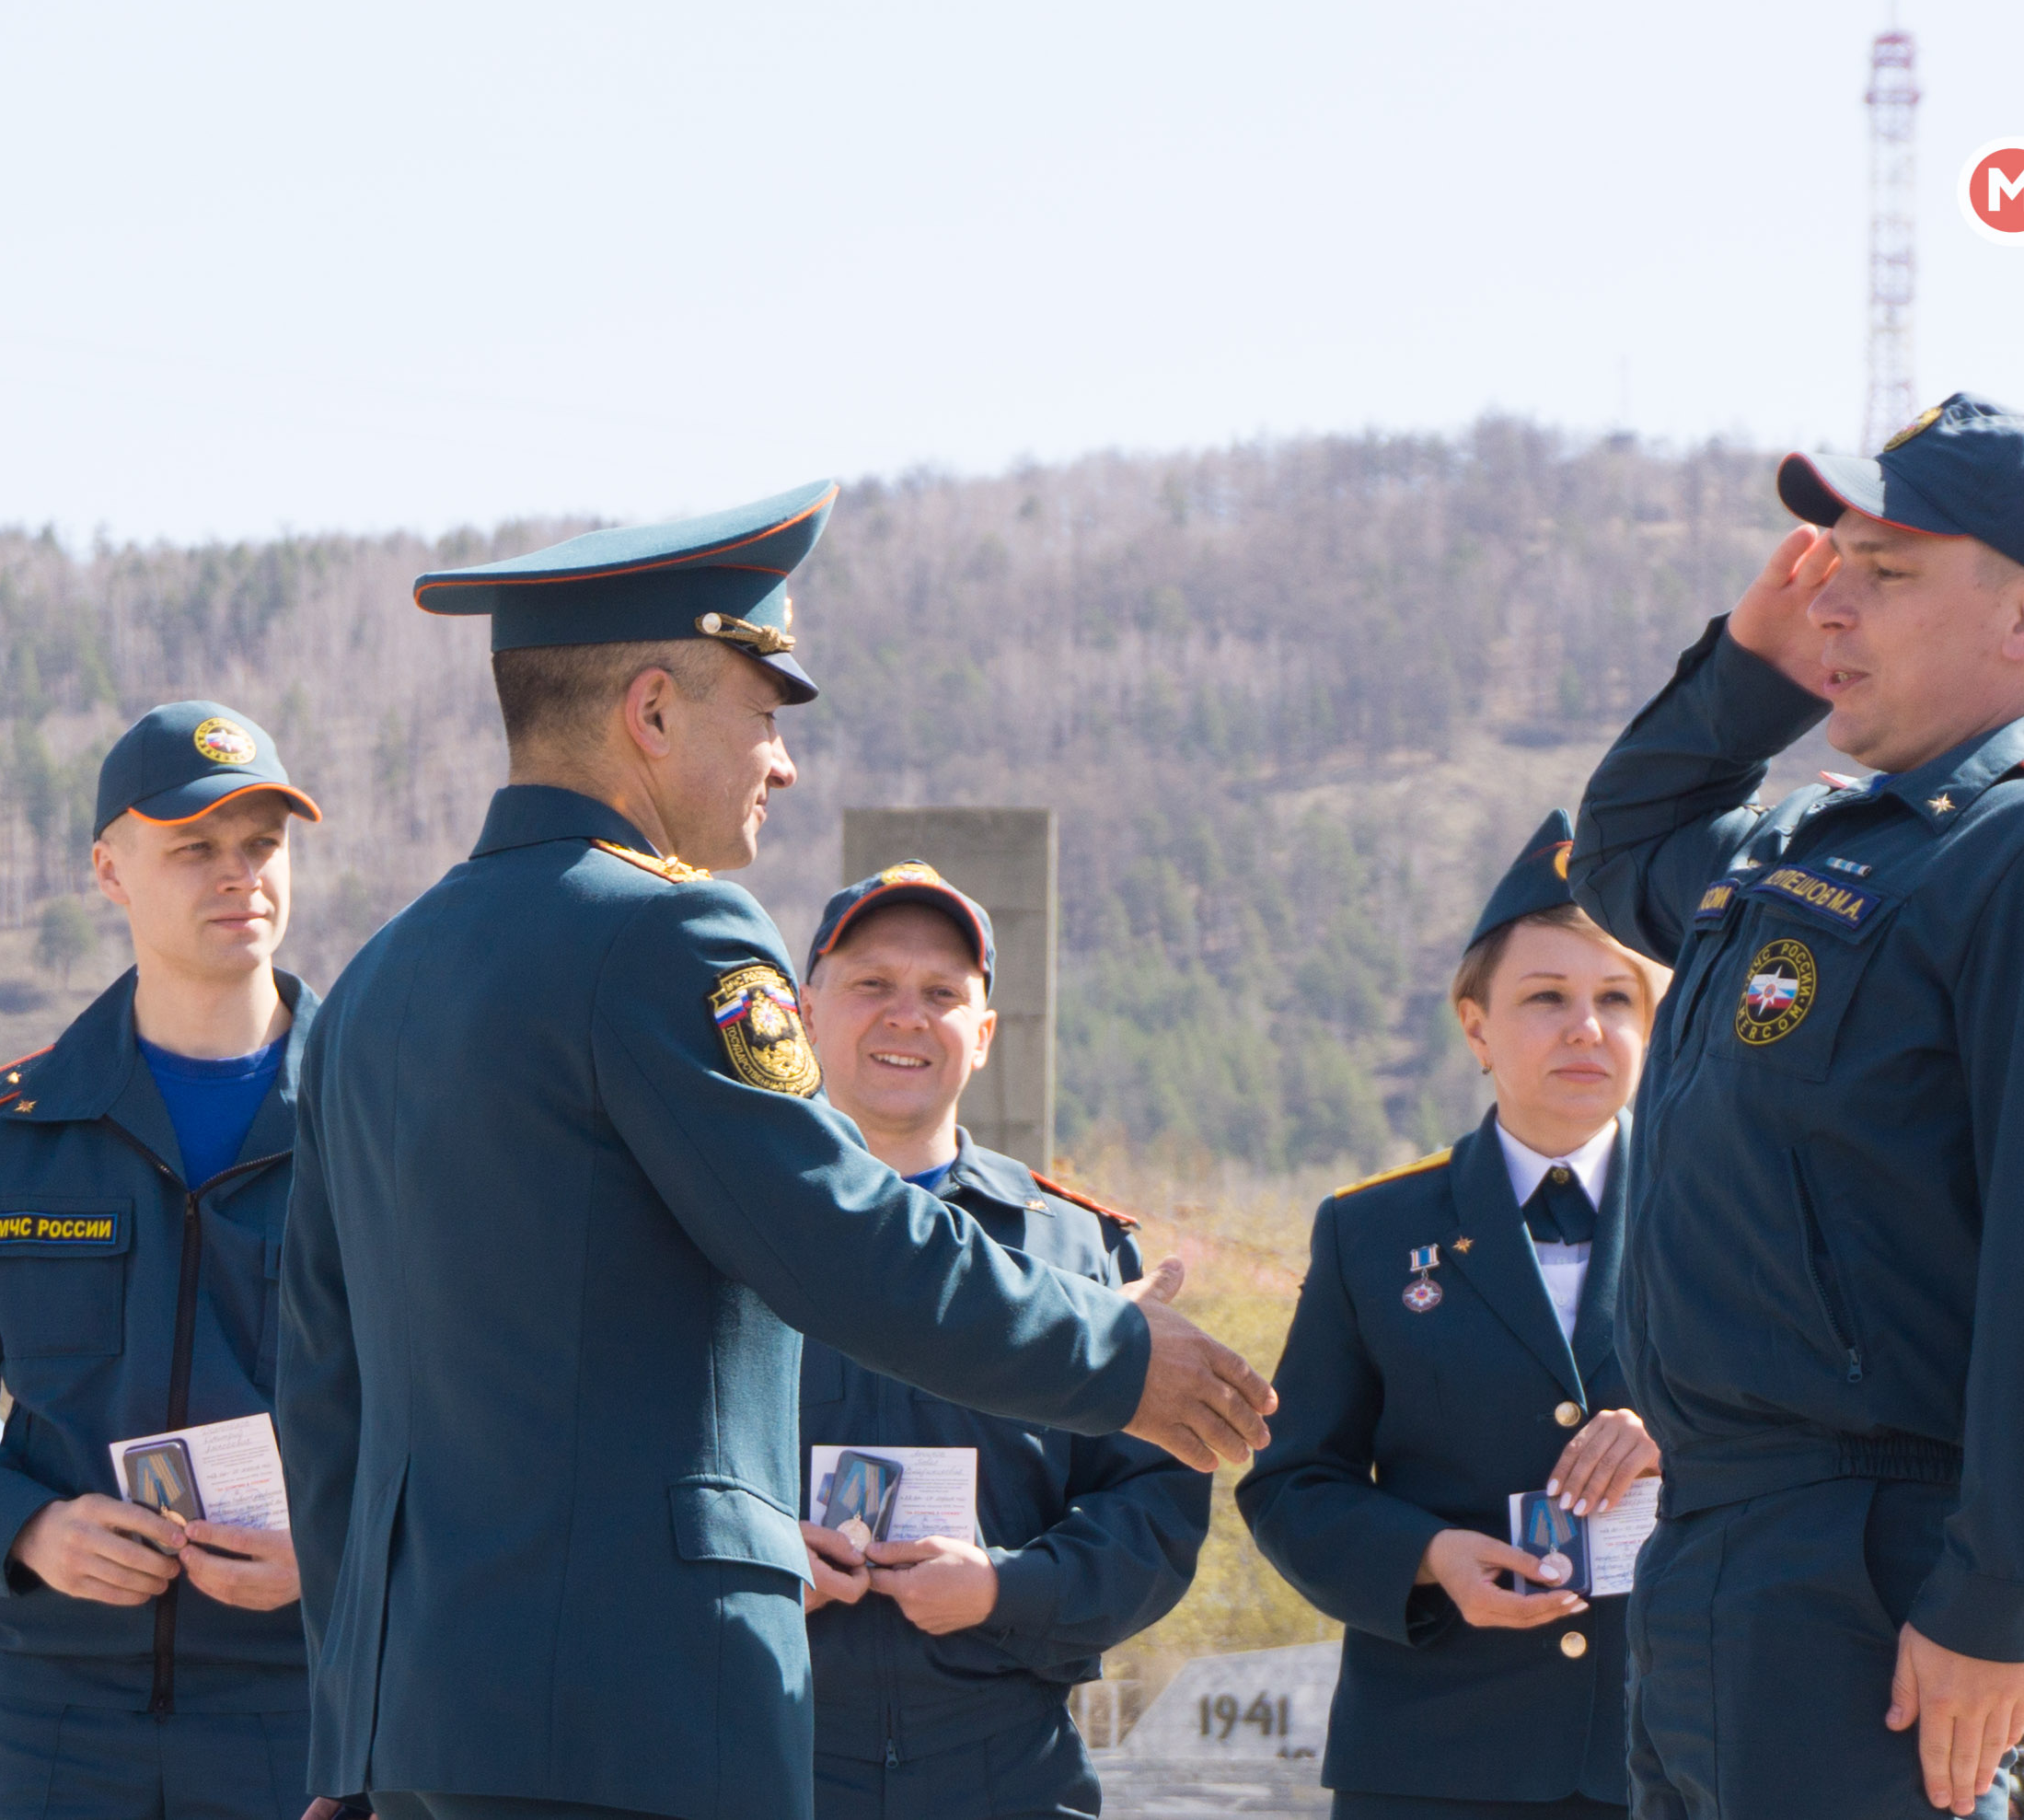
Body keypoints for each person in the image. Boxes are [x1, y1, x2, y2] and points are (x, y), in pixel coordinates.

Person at [280, 481, 1278, 1820]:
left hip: (423, 1732)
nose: (784, 761)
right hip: (639, 1728)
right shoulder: (668, 937)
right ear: (651, 711)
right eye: (763, 713)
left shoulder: (371, 988)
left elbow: (325, 1384)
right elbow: (846, 1237)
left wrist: (352, 1731)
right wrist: (1116, 1350)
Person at [1567, 393, 2024, 1820]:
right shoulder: (1811, 844)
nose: (1834, 601)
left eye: (1887, 571)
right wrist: (1752, 667)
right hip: (1714, 1554)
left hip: (1869, 1573)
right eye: (1826, 564)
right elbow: (1619, 854)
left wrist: (2000, 1601)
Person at [0, 701, 336, 1820]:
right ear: (109, 871)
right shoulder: (12, 1136)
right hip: (50, 1714)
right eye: (194, 848)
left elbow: (460, 1425)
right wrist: (26, 1527)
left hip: (301, 1702)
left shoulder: (380, 1126)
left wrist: (331, 1554)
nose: (240, 876)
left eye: (263, 844)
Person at [1238, 811, 1663, 1819]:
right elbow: (1293, 1481)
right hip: (1436, 1756)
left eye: (1616, 998)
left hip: (1670, 1748)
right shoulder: (1371, 1231)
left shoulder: (1734, 1220)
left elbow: (1813, 1443)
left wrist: (1672, 1439)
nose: (1584, 1028)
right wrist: (1426, 1559)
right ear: (1473, 1025)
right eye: (1545, 998)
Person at [792, 862, 1209, 1820]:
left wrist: (1006, 1590)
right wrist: (756, 1559)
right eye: (870, 985)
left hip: (1004, 1772)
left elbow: (1155, 1507)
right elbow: (621, 1466)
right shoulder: (710, 1229)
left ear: (982, 1036)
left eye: (941, 994)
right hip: (761, 1758)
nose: (905, 1015)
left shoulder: (1078, 1250)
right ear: (805, 1008)